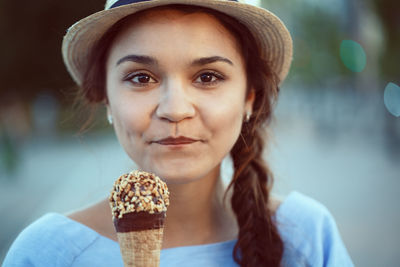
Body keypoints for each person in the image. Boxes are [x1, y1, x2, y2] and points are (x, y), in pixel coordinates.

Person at [3, 0, 354, 266]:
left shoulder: (306, 237)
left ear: (249, 96)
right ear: (107, 99)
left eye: (207, 77)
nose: (174, 109)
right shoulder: (48, 253)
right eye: (141, 77)